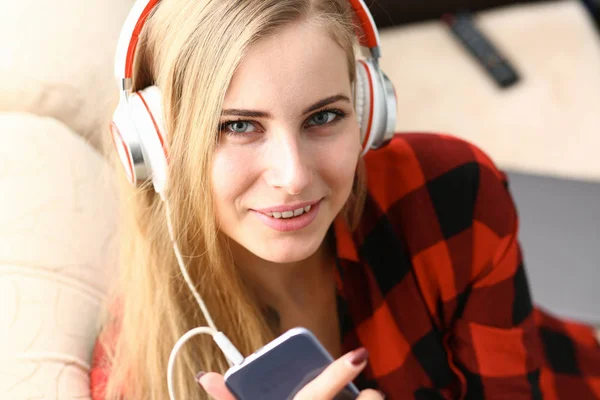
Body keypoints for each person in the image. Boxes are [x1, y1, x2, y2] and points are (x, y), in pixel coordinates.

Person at [90, 0, 600, 399]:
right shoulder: (141, 370)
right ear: (156, 145)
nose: (293, 177)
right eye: (238, 126)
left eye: (324, 117)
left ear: (366, 108)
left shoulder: (450, 189)